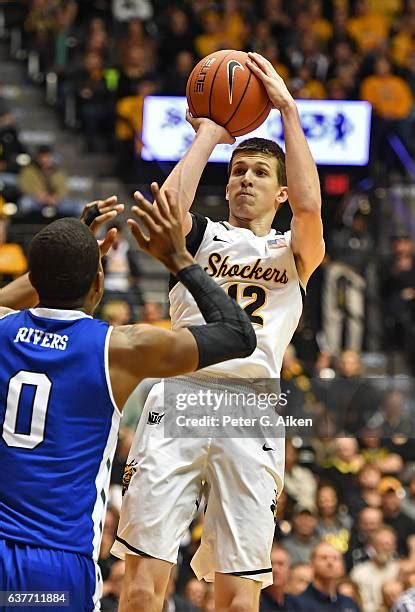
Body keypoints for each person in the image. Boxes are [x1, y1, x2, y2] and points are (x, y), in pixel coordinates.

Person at [112, 51, 324, 612]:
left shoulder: (295, 251)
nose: (245, 180)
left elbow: (309, 207)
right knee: (139, 588)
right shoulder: (200, 237)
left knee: (237, 597)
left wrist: (287, 111)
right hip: (181, 393)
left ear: (279, 193)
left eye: (259, 173)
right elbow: (167, 211)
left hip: (251, 408)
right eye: (238, 171)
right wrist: (211, 129)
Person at [0, 184, 256, 611]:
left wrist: (67, 251)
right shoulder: (118, 347)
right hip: (55, 567)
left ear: (35, 277)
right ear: (98, 283)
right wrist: (178, 257)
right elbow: (238, 334)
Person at [290, 542, 359, 611]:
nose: (330, 562)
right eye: (324, 558)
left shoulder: (349, 603)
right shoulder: (297, 603)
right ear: (312, 564)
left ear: (342, 566)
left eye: (335, 558)